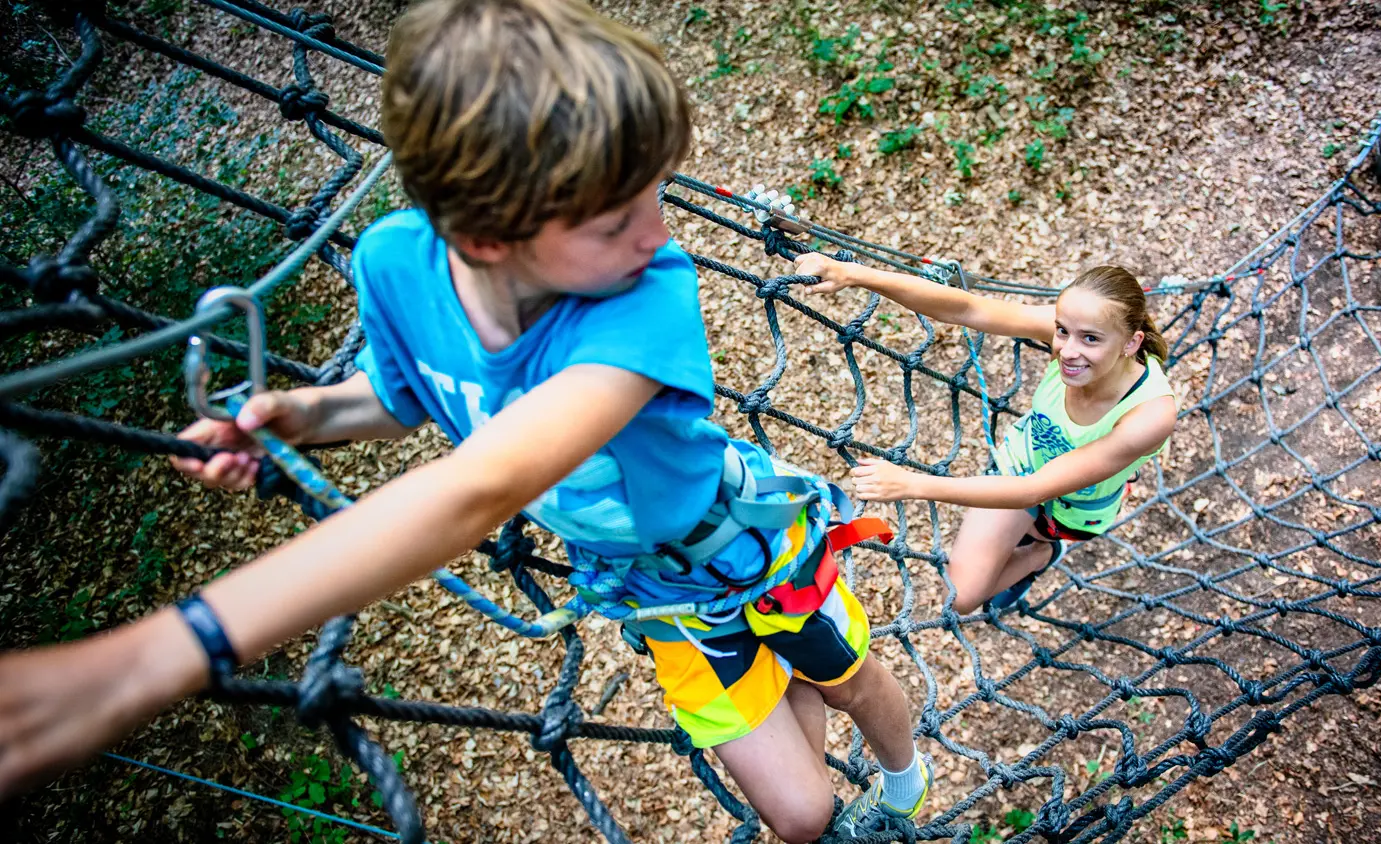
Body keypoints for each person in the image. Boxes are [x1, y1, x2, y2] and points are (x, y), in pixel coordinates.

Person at [0, 1, 930, 839]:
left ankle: (903, 783)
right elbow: (408, 397)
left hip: (745, 543)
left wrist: (156, 658)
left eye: (658, 192)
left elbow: (484, 482)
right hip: (649, 591)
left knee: (846, 678)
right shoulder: (397, 267)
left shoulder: (646, 297)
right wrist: (301, 414)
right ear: (486, 238)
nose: (658, 232)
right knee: (803, 817)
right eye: (615, 221)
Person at [795, 254, 1177, 615]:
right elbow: (967, 308)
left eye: (1091, 339)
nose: (1067, 351)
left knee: (1025, 546)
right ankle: (1029, 550)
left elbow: (1035, 491)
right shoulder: (1075, 327)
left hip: (1074, 511)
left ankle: (1043, 552)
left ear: (1132, 343)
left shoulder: (1150, 415)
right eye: (1062, 332)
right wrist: (853, 274)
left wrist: (911, 484)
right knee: (960, 599)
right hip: (1022, 467)